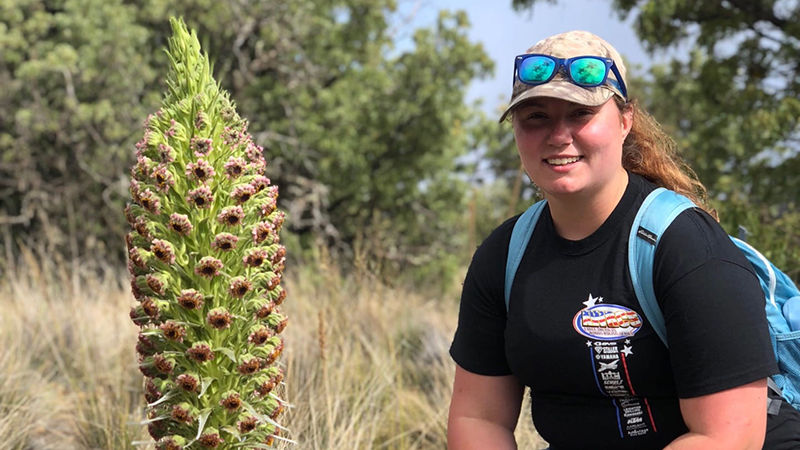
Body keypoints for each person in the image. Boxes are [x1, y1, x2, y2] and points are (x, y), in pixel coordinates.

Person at [447, 30, 800, 449]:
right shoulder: (505, 255)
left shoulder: (686, 247)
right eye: (536, 117)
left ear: (625, 120)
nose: (559, 135)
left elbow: (727, 436)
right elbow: (477, 418)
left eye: (580, 114)